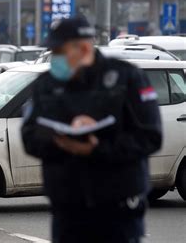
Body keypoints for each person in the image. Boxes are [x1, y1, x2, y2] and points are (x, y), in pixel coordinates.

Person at [21, 17, 162, 243]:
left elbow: (150, 136)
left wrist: (98, 148)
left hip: (118, 211)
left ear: (84, 48)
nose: (55, 57)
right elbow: (29, 137)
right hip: (68, 210)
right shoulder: (46, 85)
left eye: (60, 50)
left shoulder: (126, 78)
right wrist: (59, 141)